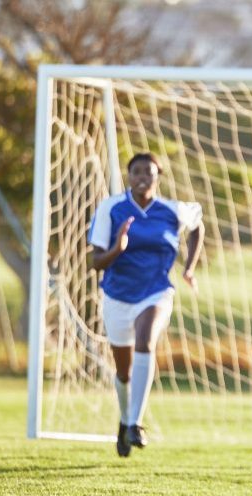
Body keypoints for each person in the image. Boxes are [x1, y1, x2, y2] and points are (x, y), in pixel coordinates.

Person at [89, 153, 204, 458]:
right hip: (117, 296)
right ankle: (125, 421)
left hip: (156, 292)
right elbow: (95, 261)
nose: (143, 176)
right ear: (129, 175)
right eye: (136, 171)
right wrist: (118, 248)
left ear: (158, 177)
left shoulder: (171, 210)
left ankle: (136, 424)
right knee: (123, 372)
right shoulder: (110, 208)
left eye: (149, 172)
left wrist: (189, 267)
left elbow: (197, 225)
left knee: (146, 340)